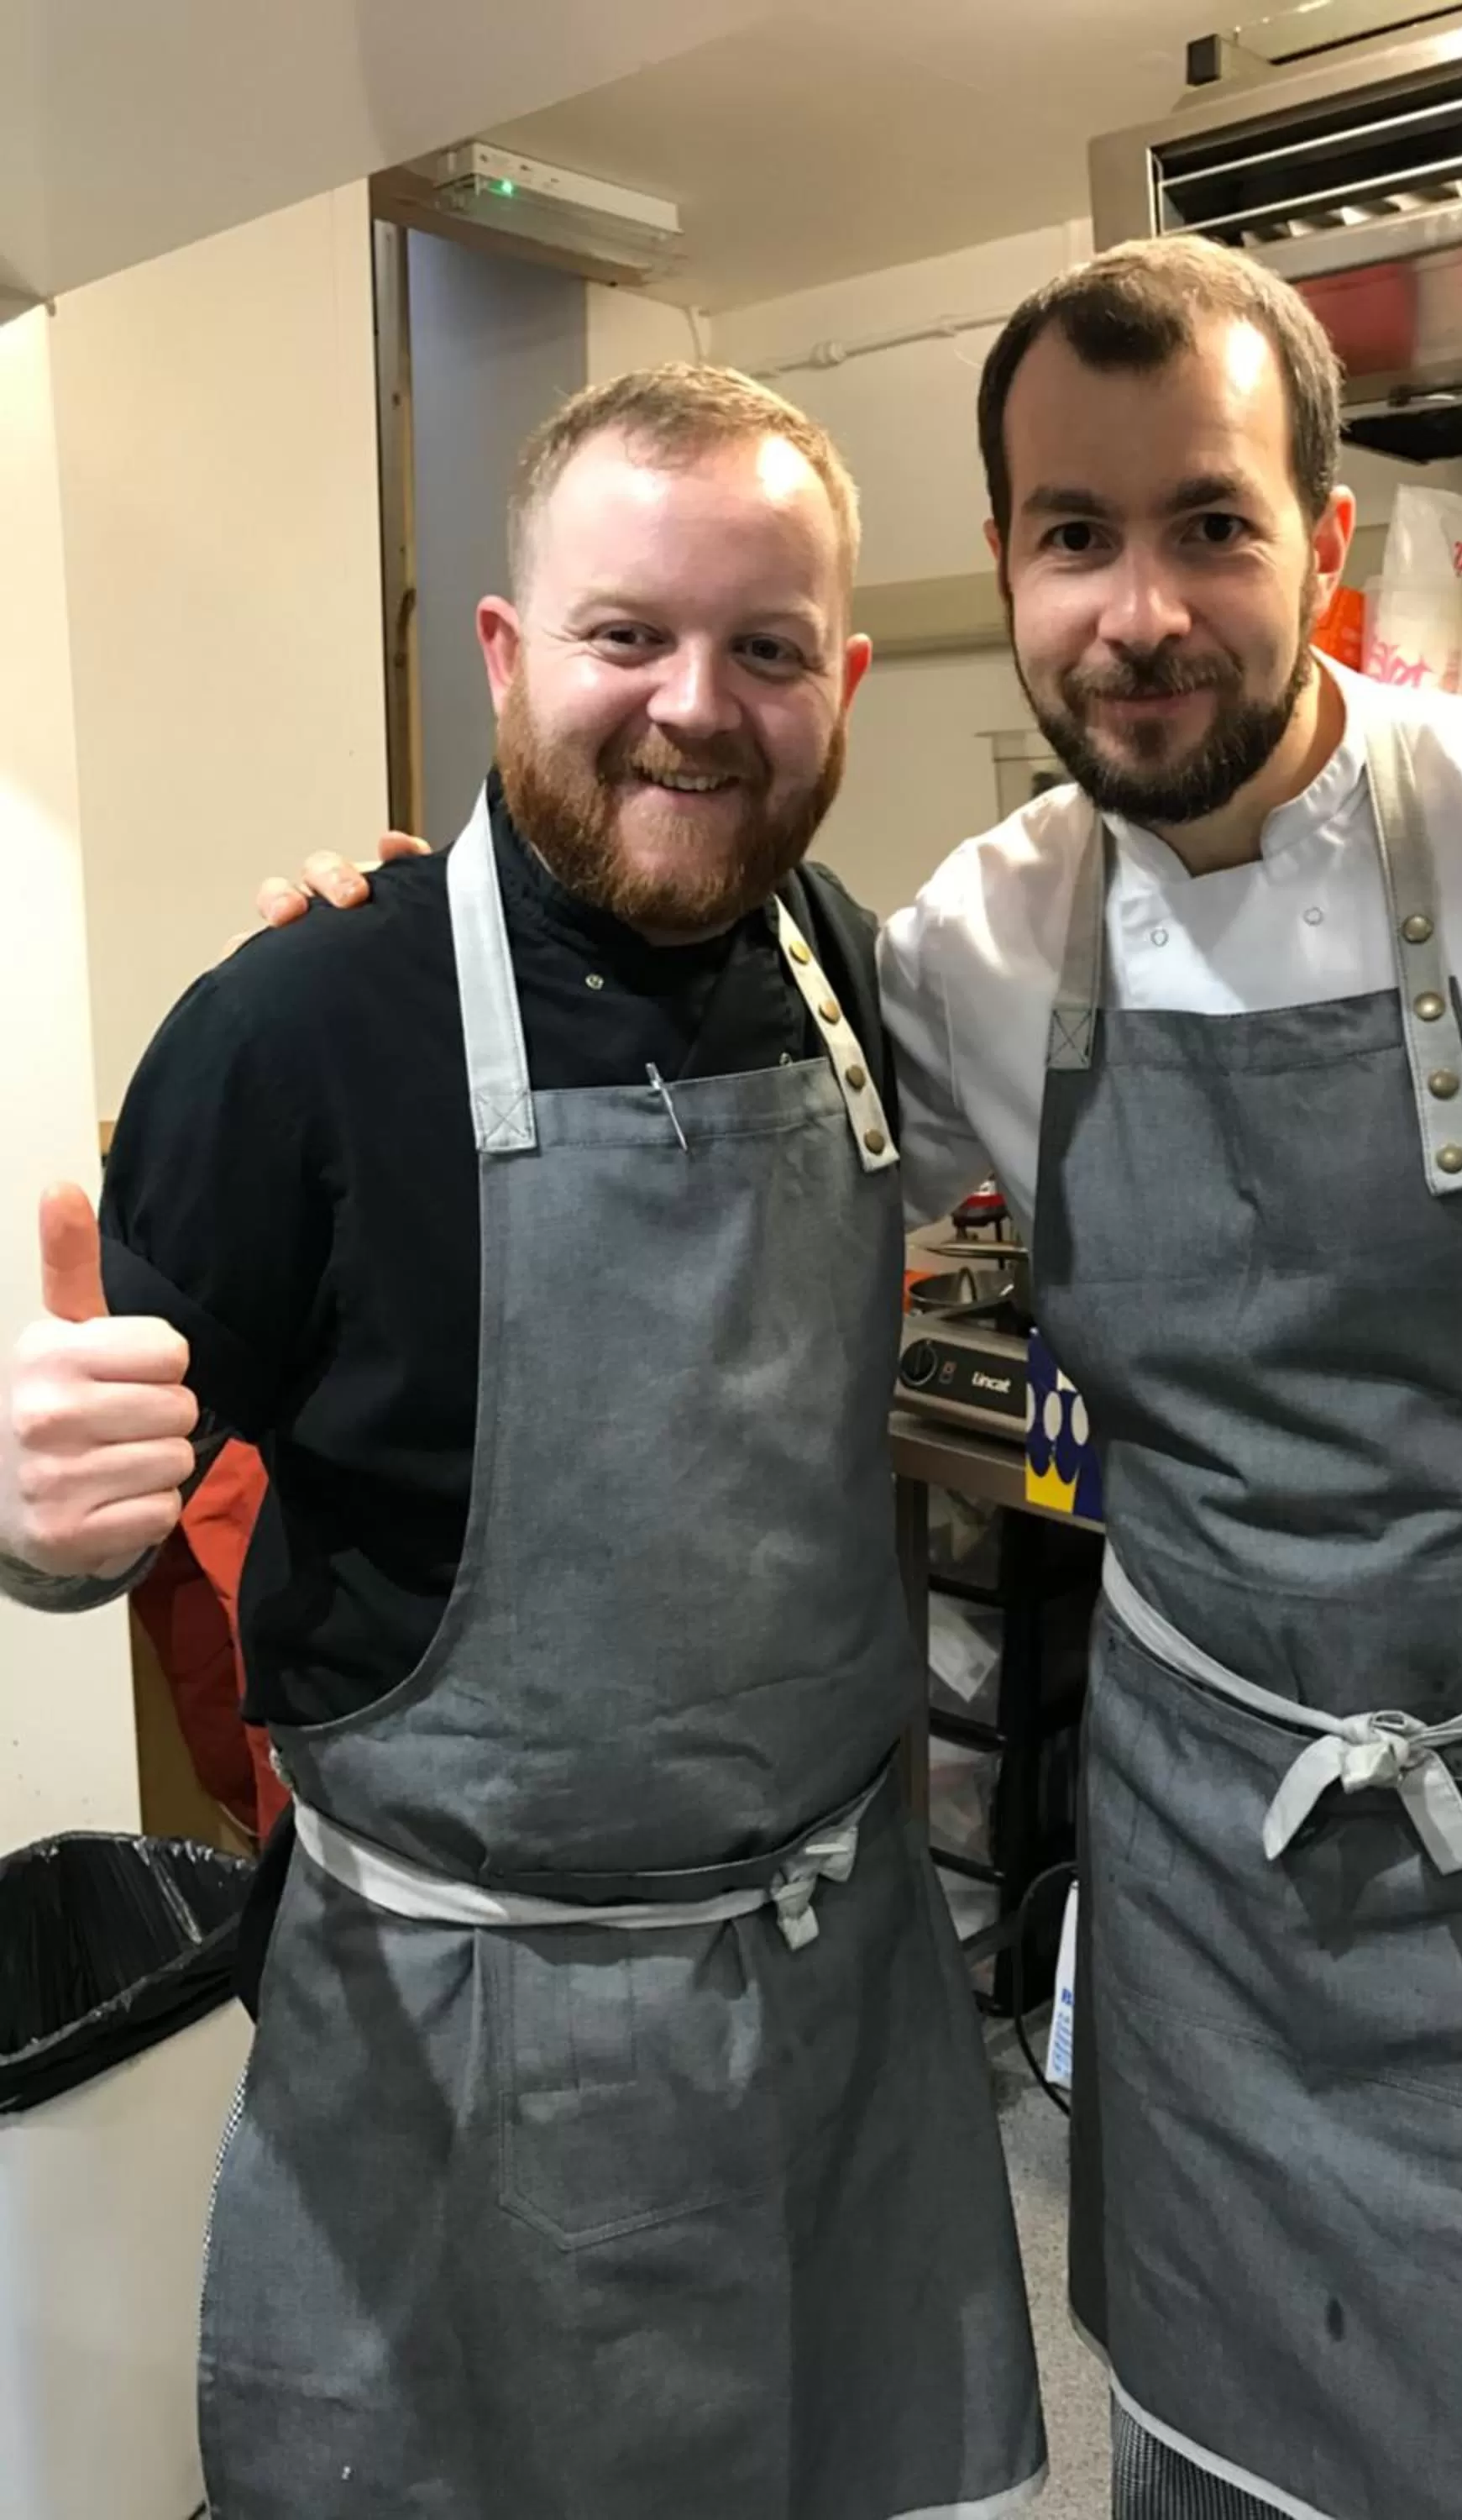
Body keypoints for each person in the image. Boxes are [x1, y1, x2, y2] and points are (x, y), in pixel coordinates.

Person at [247, 249, 1462, 2519]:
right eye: (1071, 537)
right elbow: (703, 1071)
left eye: (1207, 525)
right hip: (1200, 1864)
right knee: (1199, 2452)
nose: (1140, 610)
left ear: (1319, 547)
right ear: (1010, 566)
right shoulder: (985, 939)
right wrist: (424, 930)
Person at [0, 367, 1045, 2520]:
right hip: (467, 2038)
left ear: (838, 684)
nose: (692, 706)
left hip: (831, 1989)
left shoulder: (848, 974)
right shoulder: (297, 1026)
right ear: (502, 653)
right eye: (622, 636)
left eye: (764, 651)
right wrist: (31, 1524)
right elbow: (86, 1501)